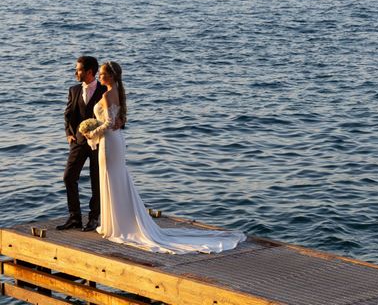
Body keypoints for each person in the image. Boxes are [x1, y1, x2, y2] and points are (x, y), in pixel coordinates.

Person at [82, 61, 245, 253]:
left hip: (110, 141)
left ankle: (118, 225)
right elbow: (115, 120)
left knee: (113, 177)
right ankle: (116, 223)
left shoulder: (108, 94)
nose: (100, 77)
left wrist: (91, 133)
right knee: (116, 178)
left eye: (102, 74)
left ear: (110, 76)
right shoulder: (116, 91)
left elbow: (109, 122)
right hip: (114, 140)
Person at [58, 56, 106, 231]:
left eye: (78, 70)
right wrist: (69, 134)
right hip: (78, 141)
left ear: (89, 72)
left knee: (96, 180)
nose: (75, 72)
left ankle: (94, 218)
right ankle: (74, 218)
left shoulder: (104, 90)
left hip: (99, 143)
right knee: (69, 177)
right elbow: (68, 114)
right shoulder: (74, 90)